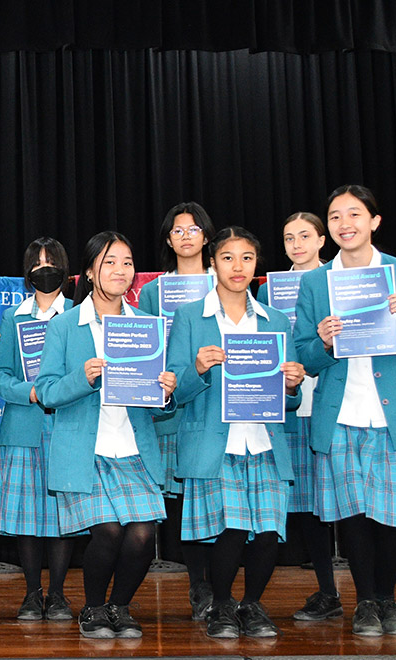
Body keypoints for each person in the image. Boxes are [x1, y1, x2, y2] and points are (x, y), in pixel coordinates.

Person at [294, 185, 396, 637]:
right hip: (339, 416)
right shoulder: (316, 282)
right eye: (335, 216)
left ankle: (388, 600)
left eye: (354, 214)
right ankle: (366, 603)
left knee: (389, 516)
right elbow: (303, 356)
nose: (344, 224)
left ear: (374, 221)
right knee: (352, 515)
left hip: (394, 417)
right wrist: (325, 342)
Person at [35, 231, 175, 639]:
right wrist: (82, 378)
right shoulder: (65, 325)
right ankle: (93, 608)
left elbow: (160, 405)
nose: (120, 270)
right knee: (109, 532)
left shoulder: (147, 327)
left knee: (142, 535)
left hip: (134, 448)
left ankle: (120, 607)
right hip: (86, 449)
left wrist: (165, 393)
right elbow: (46, 391)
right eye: (110, 262)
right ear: (91, 271)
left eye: (127, 262)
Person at [168, 226, 305, 639]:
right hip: (215, 438)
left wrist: (292, 386)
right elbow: (173, 388)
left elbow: (292, 401)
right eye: (228, 257)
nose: (237, 266)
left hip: (264, 439)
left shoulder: (276, 319)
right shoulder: (191, 316)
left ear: (256, 265)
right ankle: (222, 606)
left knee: (266, 531)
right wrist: (197, 369)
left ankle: (253, 605)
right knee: (229, 528)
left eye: (247, 258)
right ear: (212, 263)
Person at [0, 237, 78, 621]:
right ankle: (30, 593)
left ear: (65, 268)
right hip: (22, 425)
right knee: (25, 516)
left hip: (67, 426)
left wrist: (61, 390)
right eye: (37, 263)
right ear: (27, 273)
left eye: (52, 262)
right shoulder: (13, 318)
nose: (45, 269)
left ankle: (57, 594)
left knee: (61, 516)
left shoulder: (77, 314)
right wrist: (32, 391)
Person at [256, 211, 341, 621]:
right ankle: (320, 593)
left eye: (305, 236)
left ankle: (335, 592)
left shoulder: (338, 284)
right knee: (301, 507)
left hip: (325, 403)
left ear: (322, 239)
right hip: (283, 406)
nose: (297, 245)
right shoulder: (268, 293)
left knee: (327, 506)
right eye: (289, 238)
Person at [136, 201, 217, 620]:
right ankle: (198, 584)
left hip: (214, 403)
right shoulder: (152, 291)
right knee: (183, 499)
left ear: (207, 235)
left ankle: (215, 585)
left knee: (213, 495)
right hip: (170, 408)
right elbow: (143, 348)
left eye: (193, 229)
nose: (186, 236)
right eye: (178, 231)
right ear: (169, 240)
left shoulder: (226, 280)